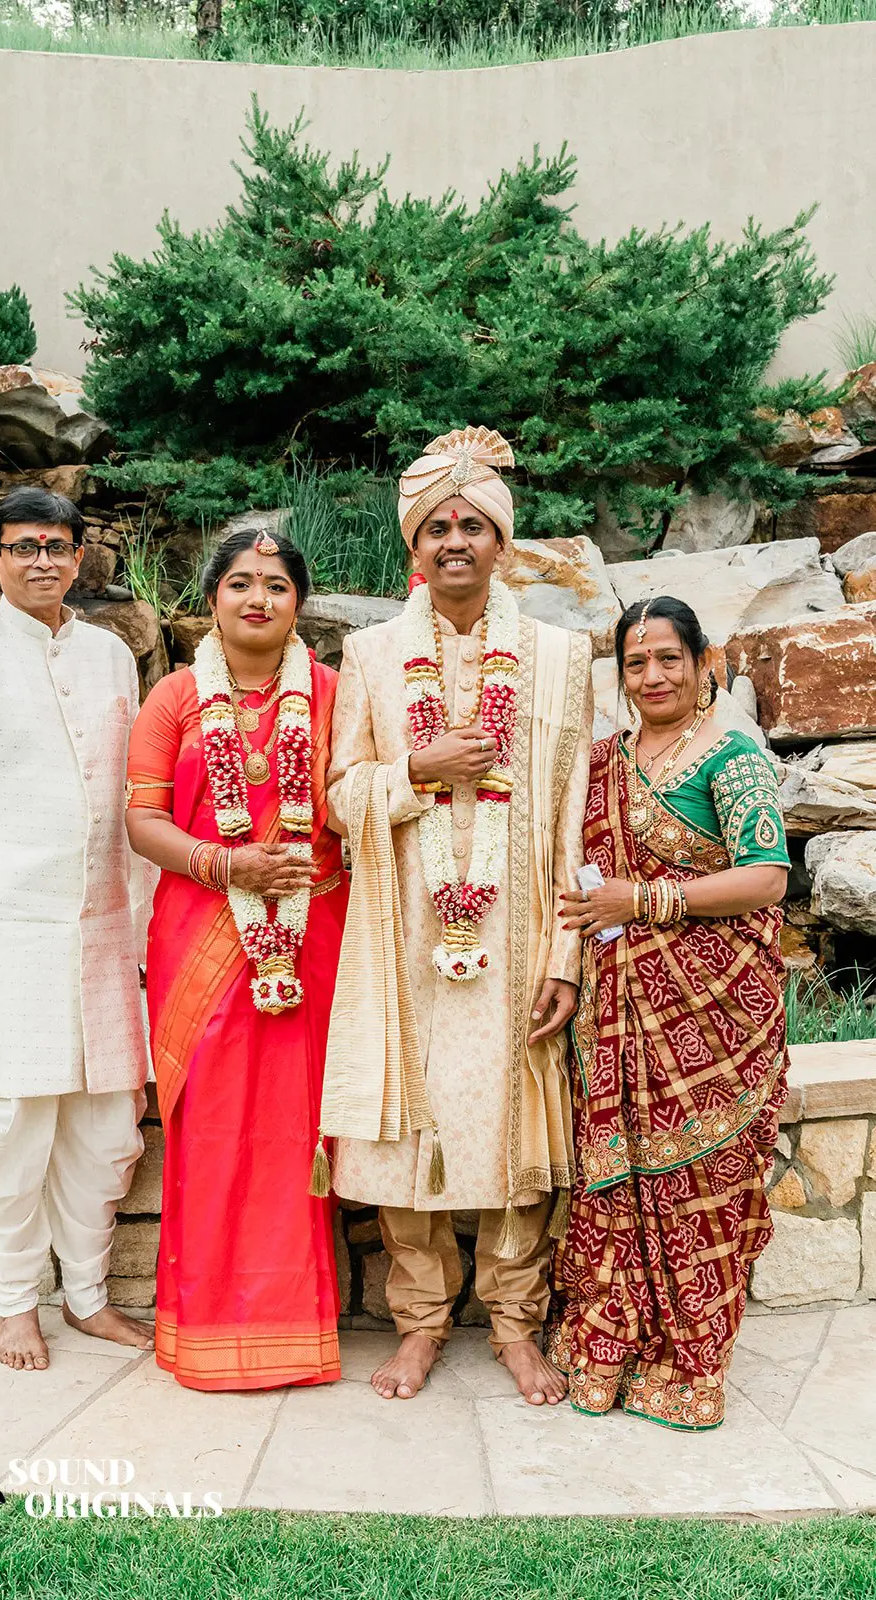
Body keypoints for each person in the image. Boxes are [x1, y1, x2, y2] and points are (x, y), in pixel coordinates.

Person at [319, 425, 594, 1405]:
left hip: (518, 936)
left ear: (501, 542)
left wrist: (563, 956)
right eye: (435, 526)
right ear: (413, 544)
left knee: (518, 1136)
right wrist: (414, 770)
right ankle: (420, 1325)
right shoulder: (370, 654)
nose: (453, 542)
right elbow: (337, 797)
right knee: (410, 1133)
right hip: (403, 937)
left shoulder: (561, 657)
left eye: (471, 525)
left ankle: (516, 1328)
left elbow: (573, 818)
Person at [0, 486, 152, 1372]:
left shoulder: (111, 656)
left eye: (56, 546)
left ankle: (86, 1295)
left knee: (106, 1126)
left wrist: (146, 938)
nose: (42, 560)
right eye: (23, 546)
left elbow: (134, 799)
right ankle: (14, 1302)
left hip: (103, 930)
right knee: (1, 1123)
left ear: (79, 558)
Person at [551, 595, 791, 1431]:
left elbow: (767, 876)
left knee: (699, 1187)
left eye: (667, 659)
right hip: (616, 1012)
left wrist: (648, 899)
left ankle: (690, 1367)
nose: (651, 675)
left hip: (715, 1014)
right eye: (636, 661)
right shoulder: (603, 761)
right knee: (618, 1177)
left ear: (701, 664)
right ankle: (610, 1345)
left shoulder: (733, 757)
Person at [125, 527, 347, 1392]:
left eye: (277, 585)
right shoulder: (175, 699)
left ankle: (292, 1334)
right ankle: (207, 1333)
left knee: (295, 1132)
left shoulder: (335, 696)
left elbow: (360, 802)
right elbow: (143, 823)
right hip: (200, 937)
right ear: (212, 597)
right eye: (242, 583)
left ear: (299, 603)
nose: (259, 598)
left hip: (309, 934)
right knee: (213, 1132)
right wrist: (225, 865)